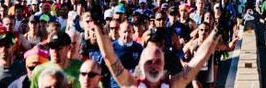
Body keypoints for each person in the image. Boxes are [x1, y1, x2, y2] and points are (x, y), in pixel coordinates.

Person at [91, 15, 220, 88]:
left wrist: (216, 31)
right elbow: (109, 56)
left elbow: (198, 59)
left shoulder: (170, 85)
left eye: (158, 61)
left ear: (164, 64)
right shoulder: (132, 84)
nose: (153, 66)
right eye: (149, 62)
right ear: (141, 64)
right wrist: (97, 25)